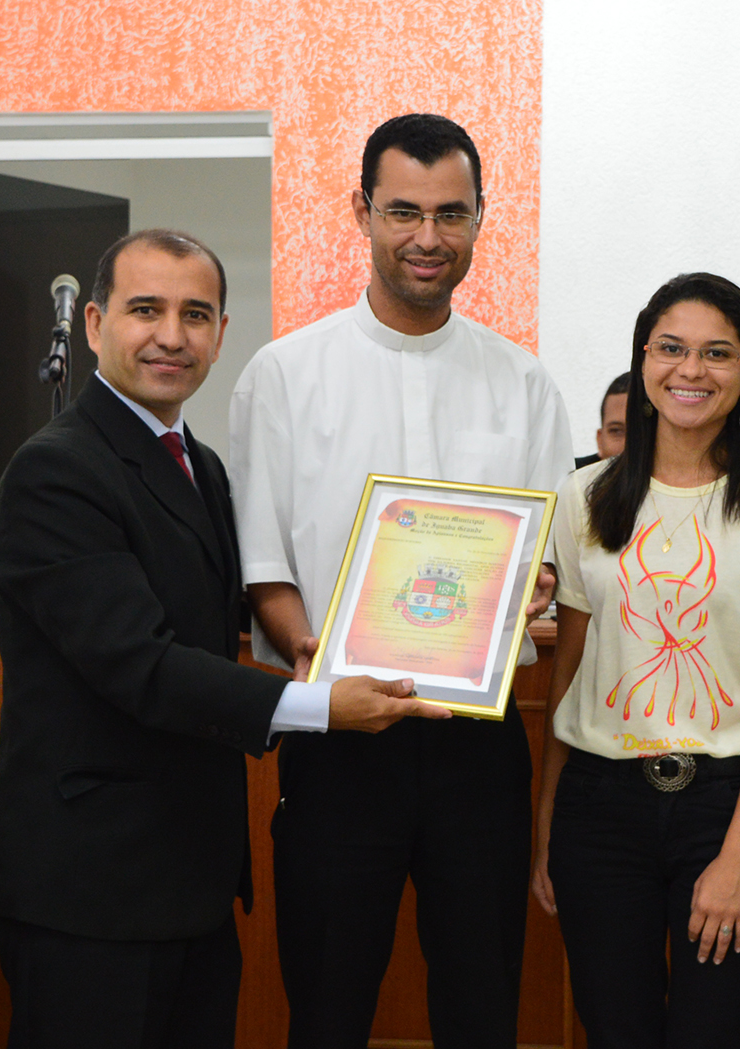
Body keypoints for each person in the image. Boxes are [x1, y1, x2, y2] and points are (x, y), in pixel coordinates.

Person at [0, 229, 434, 1048]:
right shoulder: (58, 471)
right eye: (144, 310)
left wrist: (354, 631)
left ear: (223, 333)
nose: (172, 336)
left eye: (196, 314)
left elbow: (214, 618)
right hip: (92, 892)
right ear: (92, 323)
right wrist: (320, 702)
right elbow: (143, 665)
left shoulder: (200, 464)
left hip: (189, 884)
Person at [229, 114, 574, 1048]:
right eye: (405, 212)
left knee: (481, 1008)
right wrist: (319, 667)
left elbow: (539, 564)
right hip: (340, 744)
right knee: (329, 1009)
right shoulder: (285, 375)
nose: (429, 238)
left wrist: (532, 589)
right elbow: (263, 566)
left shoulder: (524, 383)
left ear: (479, 218)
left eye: (451, 214)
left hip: (479, 743)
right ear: (362, 211)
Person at [531, 273, 740, 1048]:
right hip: (599, 809)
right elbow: (570, 669)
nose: (690, 370)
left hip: (726, 801)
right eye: (670, 348)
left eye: (715, 354)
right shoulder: (583, 497)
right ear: (642, 363)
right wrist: (545, 826)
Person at [575, 371, 631, 468]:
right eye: (616, 431)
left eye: (641, 431)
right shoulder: (569, 479)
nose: (628, 445)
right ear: (600, 441)